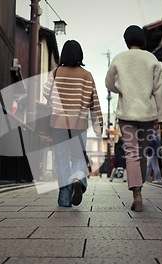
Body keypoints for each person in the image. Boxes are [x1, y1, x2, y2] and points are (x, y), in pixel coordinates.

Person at [105, 25, 162, 212]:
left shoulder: (119, 58)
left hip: (126, 113)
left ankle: (137, 194)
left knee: (131, 152)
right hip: (148, 114)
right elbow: (160, 90)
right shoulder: (151, 59)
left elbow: (109, 83)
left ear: (126, 40)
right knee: (141, 153)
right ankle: (140, 188)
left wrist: (122, 88)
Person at [43, 40, 103, 207]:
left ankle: (64, 196)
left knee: (61, 159)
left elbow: (45, 93)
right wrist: (99, 124)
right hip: (79, 124)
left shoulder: (55, 73)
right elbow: (94, 101)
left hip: (58, 124)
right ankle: (78, 179)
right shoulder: (87, 75)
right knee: (78, 157)